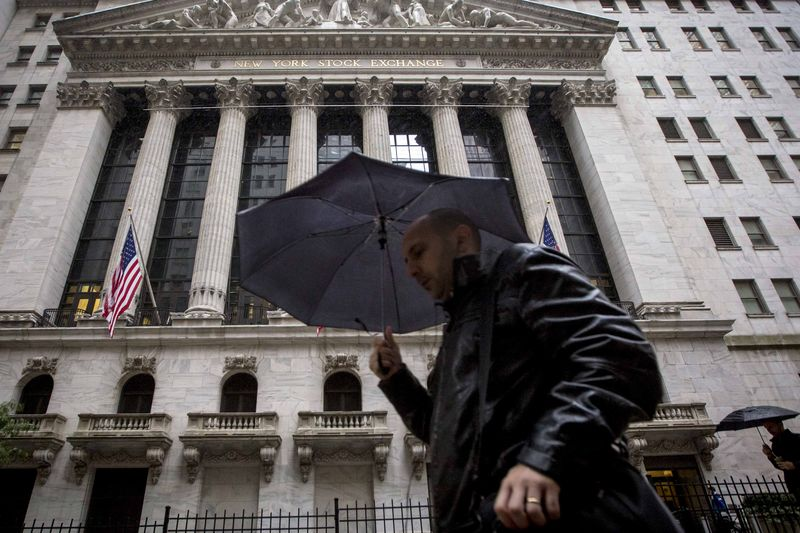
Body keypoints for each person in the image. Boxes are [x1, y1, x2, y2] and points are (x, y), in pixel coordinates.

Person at [370, 209, 681, 532]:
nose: (410, 270)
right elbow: (451, 436)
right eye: (406, 260)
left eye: (418, 252)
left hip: (566, 510)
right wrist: (397, 378)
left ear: (461, 240)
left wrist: (544, 458)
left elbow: (623, 359)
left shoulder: (521, 269)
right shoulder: (456, 329)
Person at [761, 419, 800, 500]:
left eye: (771, 427)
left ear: (780, 425)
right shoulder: (775, 445)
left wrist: (794, 465)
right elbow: (780, 465)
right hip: (793, 485)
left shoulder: (797, 438)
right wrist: (770, 455)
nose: (769, 430)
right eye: (767, 428)